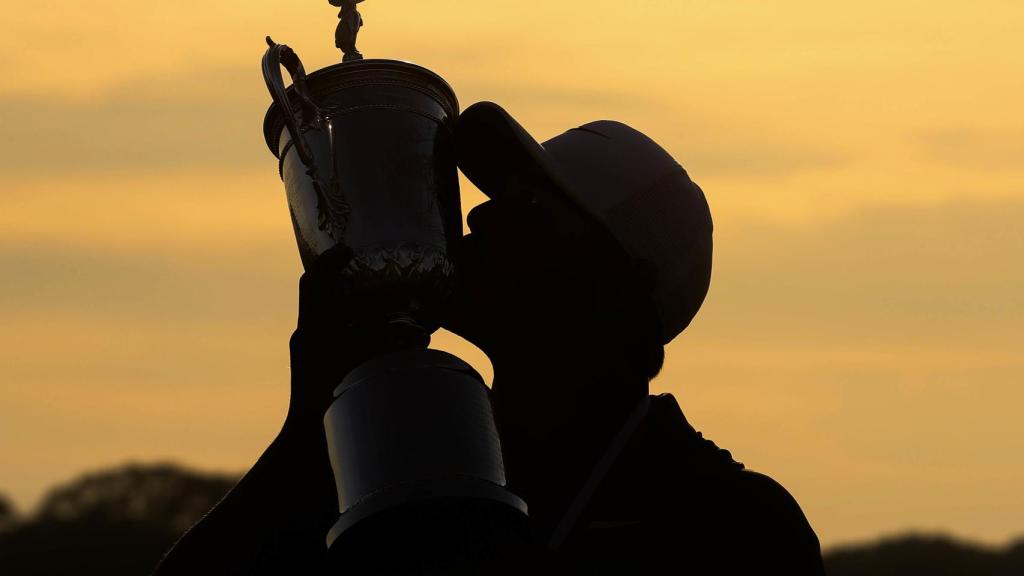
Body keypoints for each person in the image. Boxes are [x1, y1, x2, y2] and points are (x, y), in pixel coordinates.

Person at [154, 101, 825, 575]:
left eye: (530, 207)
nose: (479, 214)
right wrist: (310, 432)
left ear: (618, 285)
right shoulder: (403, 464)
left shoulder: (732, 525)